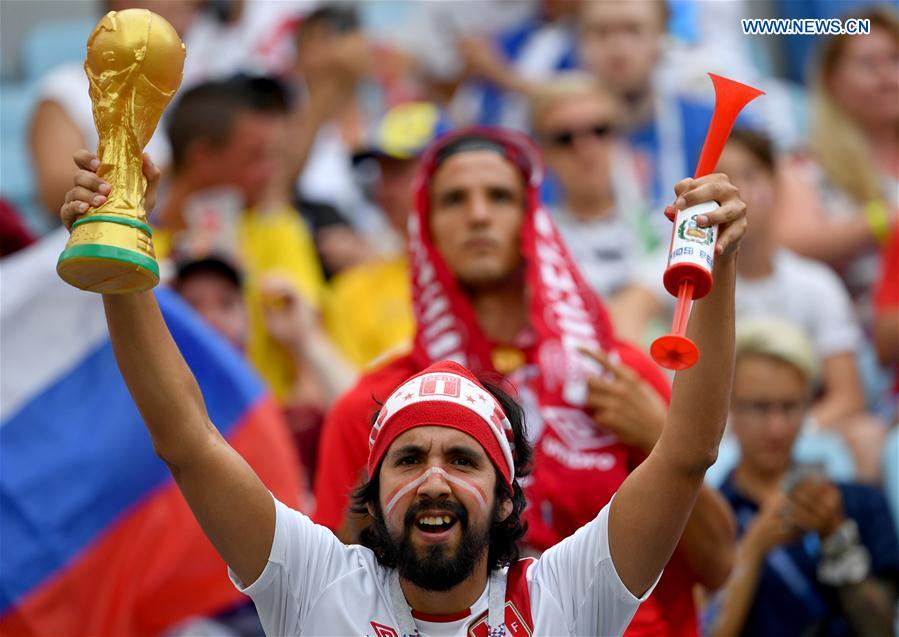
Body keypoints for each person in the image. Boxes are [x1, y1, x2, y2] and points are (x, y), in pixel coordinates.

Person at [59, 120, 747, 634]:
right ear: (371, 490)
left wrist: (713, 262)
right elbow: (186, 436)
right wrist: (122, 263)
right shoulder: (319, 584)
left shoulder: (563, 593)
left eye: (463, 457)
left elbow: (686, 452)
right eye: (409, 457)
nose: (435, 478)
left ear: (510, 498)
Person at [314, 127, 738, 636]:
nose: (477, 214)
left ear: (532, 218)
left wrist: (655, 437)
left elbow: (717, 565)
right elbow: (336, 595)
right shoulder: (376, 403)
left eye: (499, 196)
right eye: (454, 199)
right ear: (425, 228)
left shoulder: (619, 377)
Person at [707, 319, 899, 637]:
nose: (777, 427)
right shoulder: (712, 515)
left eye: (790, 407)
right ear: (730, 408)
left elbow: (882, 630)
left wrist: (837, 539)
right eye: (760, 407)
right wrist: (754, 547)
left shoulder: (859, 503)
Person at [149, 76, 326, 401]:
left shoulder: (278, 230)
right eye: (256, 157)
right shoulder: (138, 253)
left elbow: (310, 369)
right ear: (202, 159)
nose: (270, 172)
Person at [773, 6, 899, 316]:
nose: (889, 77)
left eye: (895, 59)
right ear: (833, 80)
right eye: (868, 64)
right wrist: (882, 221)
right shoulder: (804, 163)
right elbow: (788, 245)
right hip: (854, 331)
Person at [530, 72, 666, 333]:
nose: (585, 148)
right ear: (542, 152)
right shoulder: (532, 240)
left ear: (620, 138)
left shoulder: (667, 226)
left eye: (600, 130)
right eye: (564, 138)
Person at [324, 101, 447, 368]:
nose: (383, 190)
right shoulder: (352, 291)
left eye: (398, 170)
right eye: (381, 173)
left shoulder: (500, 279)